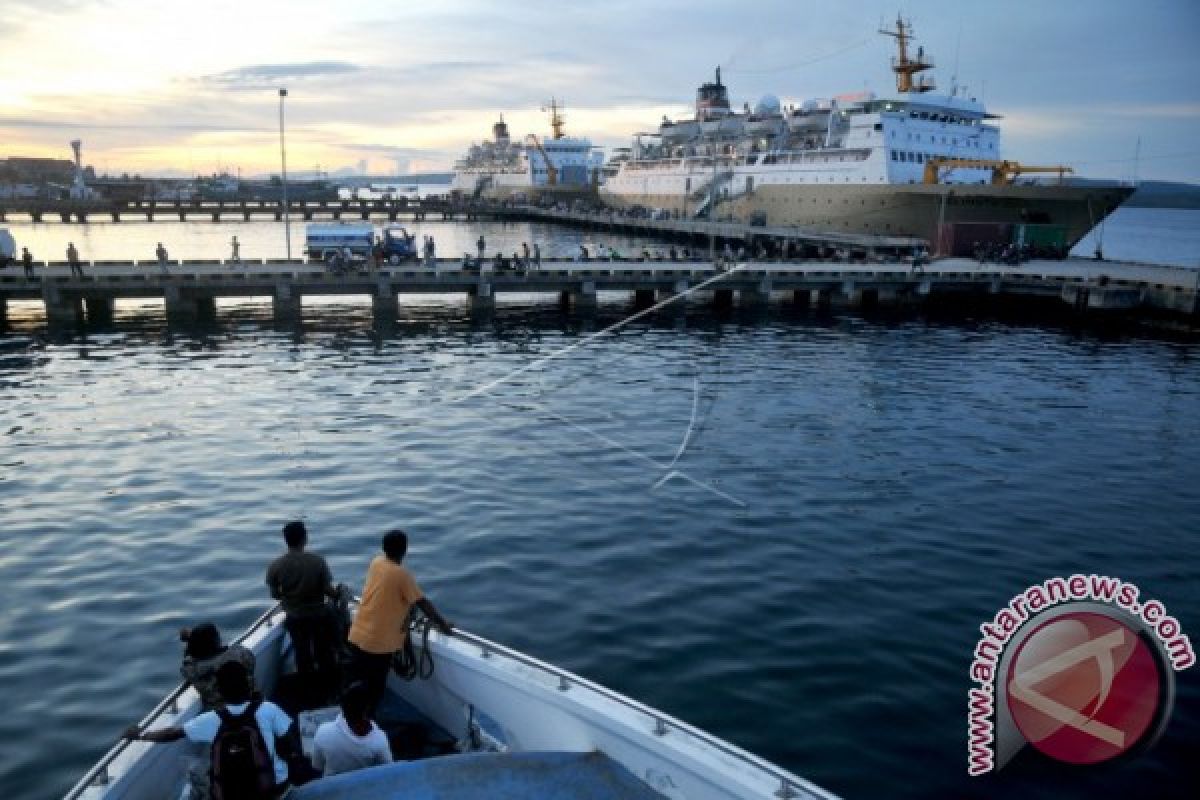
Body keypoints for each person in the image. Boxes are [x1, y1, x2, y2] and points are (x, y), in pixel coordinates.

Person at [125, 661, 295, 800]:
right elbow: (289, 744)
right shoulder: (268, 709)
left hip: (231, 795)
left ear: (220, 691)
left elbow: (173, 733)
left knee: (198, 775)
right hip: (273, 789)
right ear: (248, 685)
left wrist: (141, 735)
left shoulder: (211, 720)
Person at [347, 530, 453, 713]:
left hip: (358, 634)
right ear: (405, 550)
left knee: (358, 683)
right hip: (378, 644)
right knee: (375, 689)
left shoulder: (376, 562)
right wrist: (443, 624)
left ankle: (351, 720)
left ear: (383, 548)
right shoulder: (402, 575)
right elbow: (422, 604)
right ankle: (366, 727)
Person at [265, 521, 340, 688]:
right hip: (319, 615)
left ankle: (307, 687)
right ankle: (328, 685)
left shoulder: (275, 566)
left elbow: (275, 594)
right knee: (324, 651)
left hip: (295, 617)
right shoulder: (318, 561)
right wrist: (339, 594)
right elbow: (328, 590)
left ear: (286, 540)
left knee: (302, 652)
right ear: (305, 539)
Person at [310, 682, 392, 777]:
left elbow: (317, 767)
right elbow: (388, 773)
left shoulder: (322, 731)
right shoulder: (380, 740)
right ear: (367, 708)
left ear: (342, 707)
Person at [180, 622, 257, 710]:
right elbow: (251, 663)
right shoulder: (240, 653)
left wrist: (191, 640)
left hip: (219, 715)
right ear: (217, 640)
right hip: (252, 706)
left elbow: (188, 660)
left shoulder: (192, 670)